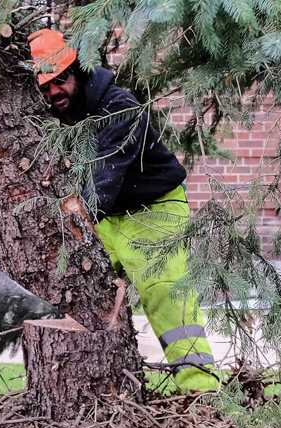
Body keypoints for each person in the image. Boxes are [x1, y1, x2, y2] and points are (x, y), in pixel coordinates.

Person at [28, 29, 219, 392]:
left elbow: (105, 176)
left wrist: (77, 225)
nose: (54, 92)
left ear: (79, 71)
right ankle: (104, 392)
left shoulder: (120, 107)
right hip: (107, 218)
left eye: (60, 80)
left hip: (154, 212)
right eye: (45, 87)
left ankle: (201, 393)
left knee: (167, 298)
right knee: (87, 298)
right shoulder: (64, 116)